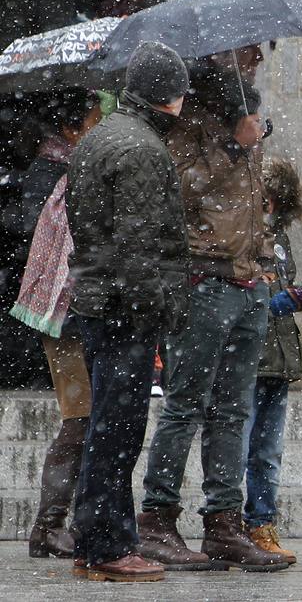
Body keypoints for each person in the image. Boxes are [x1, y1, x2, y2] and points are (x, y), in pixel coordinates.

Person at [136, 66, 288, 572]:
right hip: (205, 283)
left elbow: (253, 212)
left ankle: (224, 522)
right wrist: (231, 149)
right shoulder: (190, 133)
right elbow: (178, 195)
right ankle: (157, 519)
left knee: (233, 410)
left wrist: (266, 263)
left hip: (249, 286)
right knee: (185, 407)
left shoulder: (249, 138)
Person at [66, 41, 191, 582]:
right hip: (123, 311)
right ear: (171, 97)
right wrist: (155, 310)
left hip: (97, 301)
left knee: (106, 426)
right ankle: (108, 546)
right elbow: (138, 244)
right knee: (118, 430)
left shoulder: (98, 138)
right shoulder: (142, 149)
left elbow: (85, 224)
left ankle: (95, 539)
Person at [9, 88, 103, 558]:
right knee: (79, 419)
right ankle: (48, 525)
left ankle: (67, 522)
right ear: (71, 130)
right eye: (92, 120)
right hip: (62, 316)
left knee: (86, 420)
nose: (100, 127)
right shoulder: (52, 173)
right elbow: (43, 239)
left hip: (83, 313)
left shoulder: (73, 168)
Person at [242, 157, 302, 563]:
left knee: (267, 450)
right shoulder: (237, 234)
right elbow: (245, 298)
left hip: (277, 358)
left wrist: (297, 296)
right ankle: (227, 524)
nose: (270, 207)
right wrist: (278, 300)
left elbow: (281, 286)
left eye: (277, 200)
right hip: (245, 357)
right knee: (240, 445)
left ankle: (261, 525)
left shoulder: (278, 239)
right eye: (265, 198)